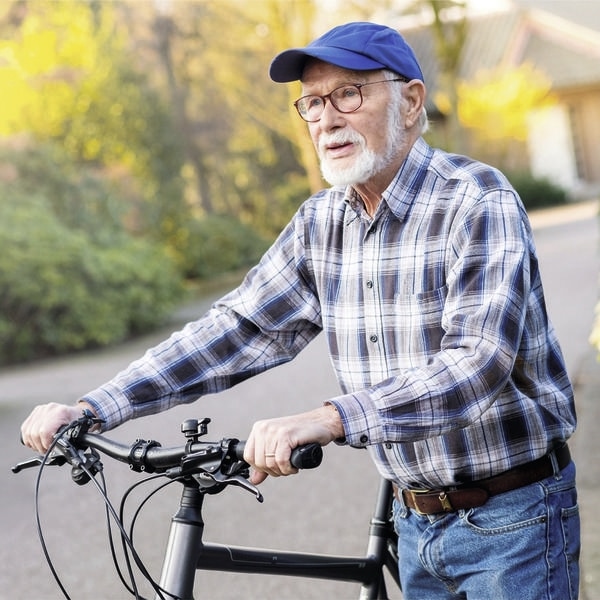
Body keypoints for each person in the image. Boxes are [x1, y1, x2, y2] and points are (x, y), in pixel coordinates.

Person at [21, 22, 579, 599]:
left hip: (515, 518)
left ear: (411, 101)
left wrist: (330, 418)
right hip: (416, 523)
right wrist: (93, 407)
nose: (326, 119)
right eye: (312, 102)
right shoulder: (321, 224)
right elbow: (235, 331)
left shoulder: (477, 200)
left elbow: (477, 364)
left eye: (347, 95)